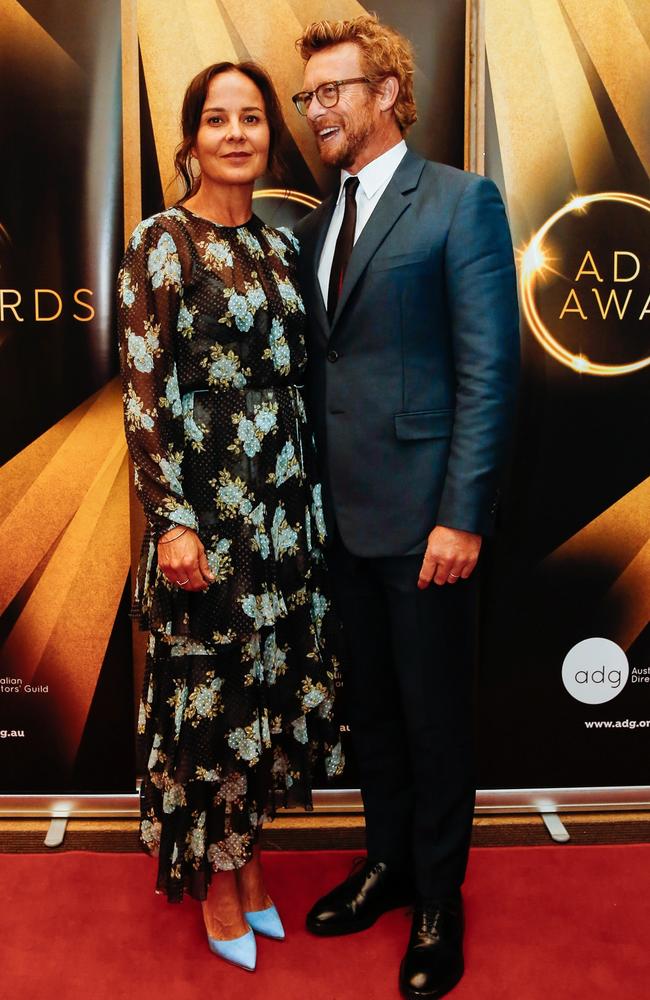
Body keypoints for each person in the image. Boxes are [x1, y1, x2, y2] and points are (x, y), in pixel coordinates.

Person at [291, 15, 519, 1000]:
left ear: (387, 91)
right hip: (338, 527)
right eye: (306, 97)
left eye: (332, 90)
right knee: (372, 718)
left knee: (432, 722)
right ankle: (384, 864)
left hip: (427, 525)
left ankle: (436, 898)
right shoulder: (311, 225)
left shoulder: (459, 205)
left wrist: (461, 514)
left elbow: (487, 368)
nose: (315, 110)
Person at [117, 60, 343, 973]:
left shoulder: (284, 248)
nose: (238, 134)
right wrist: (171, 520)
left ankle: (249, 865)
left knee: (262, 693)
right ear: (191, 139)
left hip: (284, 517)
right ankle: (217, 881)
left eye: (252, 118)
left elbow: (305, 380)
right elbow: (142, 393)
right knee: (208, 703)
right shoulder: (160, 241)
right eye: (219, 120)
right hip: (205, 516)